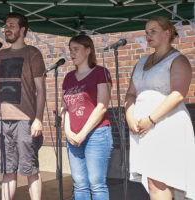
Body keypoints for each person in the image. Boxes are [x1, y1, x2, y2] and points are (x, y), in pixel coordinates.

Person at [125, 16, 195, 200]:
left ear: (167, 33)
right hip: (143, 129)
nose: (148, 35)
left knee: (160, 180)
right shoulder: (141, 62)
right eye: (146, 32)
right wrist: (130, 116)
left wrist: (150, 120)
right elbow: (131, 93)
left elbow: (178, 94)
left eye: (153, 31)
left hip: (166, 125)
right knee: (152, 181)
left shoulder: (178, 60)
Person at [0, 12, 45, 200]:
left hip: (26, 121)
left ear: (22, 29)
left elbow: (41, 90)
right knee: (7, 170)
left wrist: (38, 119)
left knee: (30, 169)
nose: (7, 28)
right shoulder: (0, 55)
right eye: (6, 25)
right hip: (3, 121)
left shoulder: (32, 53)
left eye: (12, 25)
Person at [61, 34, 113, 200]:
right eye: (70, 50)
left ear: (88, 50)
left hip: (96, 134)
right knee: (79, 184)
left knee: (96, 184)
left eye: (76, 49)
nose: (72, 54)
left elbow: (102, 106)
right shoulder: (68, 77)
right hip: (73, 137)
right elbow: (65, 108)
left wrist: (83, 133)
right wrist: (67, 131)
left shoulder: (100, 72)